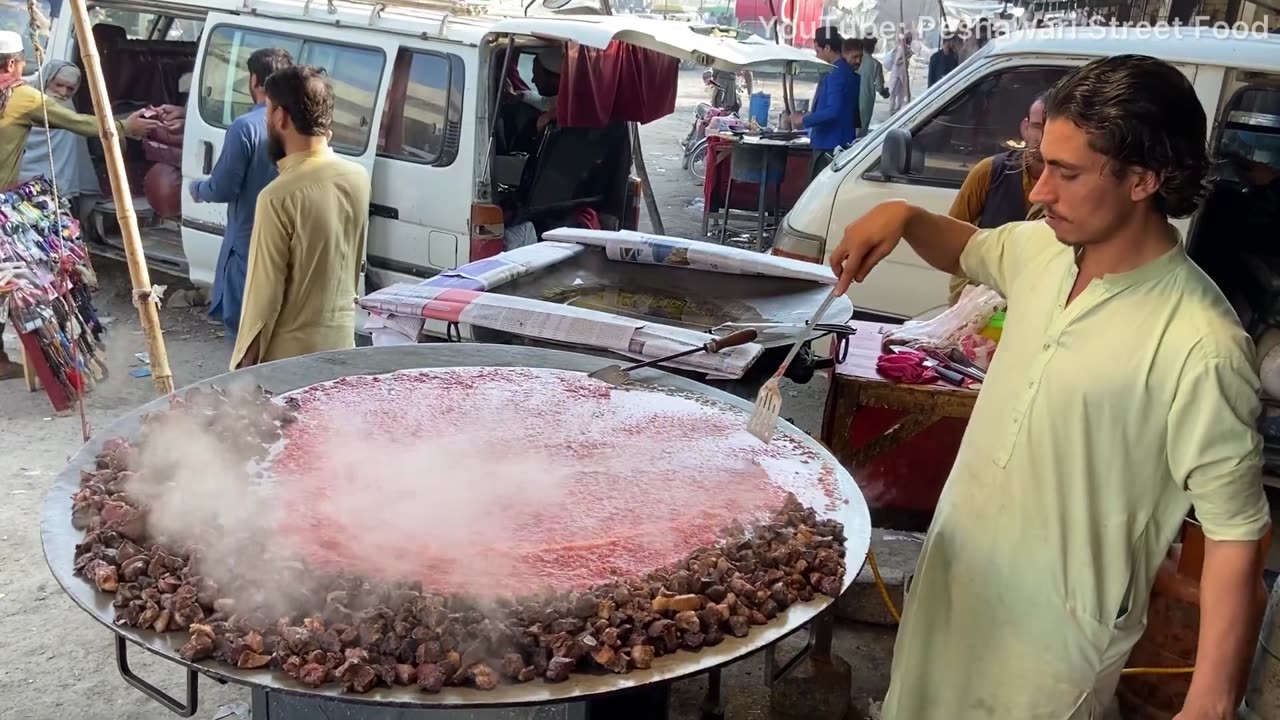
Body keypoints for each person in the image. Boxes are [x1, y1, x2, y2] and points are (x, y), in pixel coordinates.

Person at [830, 55, 1269, 720]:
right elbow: (969, 249)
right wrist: (904, 217)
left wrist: (1209, 702)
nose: (1039, 192)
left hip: (1052, 645)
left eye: (1066, 173)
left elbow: (1236, 538)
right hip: (955, 584)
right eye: (1043, 164)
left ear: (1143, 180)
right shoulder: (1040, 251)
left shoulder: (1200, 343)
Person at [0, 30, 156, 381]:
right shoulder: (21, 97)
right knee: (24, 285)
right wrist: (125, 126)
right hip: (6, 206)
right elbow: (81, 124)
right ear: (13, 63)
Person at [231, 66, 370, 370]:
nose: (267, 121)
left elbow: (263, 298)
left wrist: (241, 371)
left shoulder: (277, 196)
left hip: (287, 364)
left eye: (268, 112)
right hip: (342, 349)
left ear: (281, 118)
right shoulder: (357, 177)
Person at [189, 47, 293, 347]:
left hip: (248, 243)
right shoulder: (299, 127)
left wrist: (197, 189)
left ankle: (247, 393)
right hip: (287, 244)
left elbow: (222, 187)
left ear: (254, 80)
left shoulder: (245, 127)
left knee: (245, 335)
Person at [946, 93, 1047, 304]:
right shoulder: (990, 171)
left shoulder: (1075, 186)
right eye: (1038, 127)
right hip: (981, 306)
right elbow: (951, 238)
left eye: (1051, 128)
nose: (1044, 136)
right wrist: (967, 297)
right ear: (1025, 128)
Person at [19, 60, 99, 217]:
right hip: (17, 185)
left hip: (57, 188)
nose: (63, 93)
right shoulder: (22, 98)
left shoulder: (68, 110)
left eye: (70, 89)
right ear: (47, 79)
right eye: (59, 85)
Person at [789, 27, 858, 179]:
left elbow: (833, 110)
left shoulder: (836, 74)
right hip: (842, 141)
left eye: (818, 51)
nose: (817, 55)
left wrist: (804, 120)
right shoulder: (847, 72)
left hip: (830, 145)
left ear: (827, 48)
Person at [855, 36, 889, 137]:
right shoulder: (876, 64)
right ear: (873, 48)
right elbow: (879, 87)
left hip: (852, 97)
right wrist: (885, 93)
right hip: (867, 100)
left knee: (851, 127)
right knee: (862, 129)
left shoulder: (855, 60)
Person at [888, 29, 913, 114]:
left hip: (902, 73)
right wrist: (906, 58)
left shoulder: (906, 48)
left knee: (901, 93)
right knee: (893, 92)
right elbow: (897, 62)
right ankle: (891, 109)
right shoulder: (901, 49)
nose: (910, 40)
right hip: (897, 74)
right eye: (909, 38)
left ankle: (898, 109)